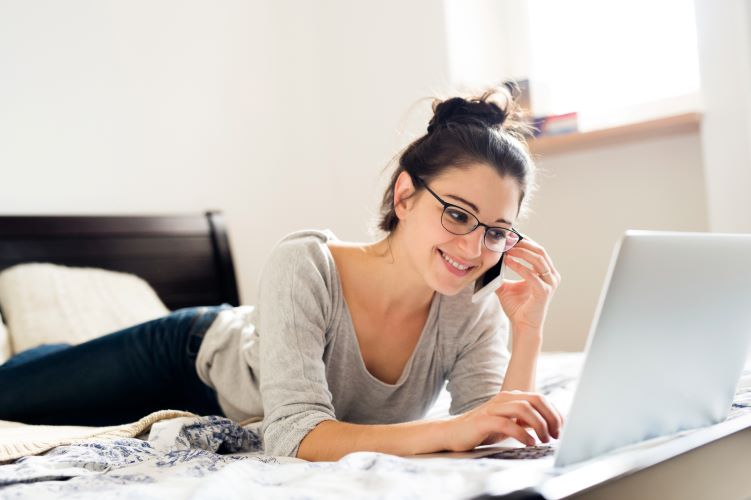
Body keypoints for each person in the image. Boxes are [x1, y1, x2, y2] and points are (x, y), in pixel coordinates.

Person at [0, 85, 562, 461]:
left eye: (494, 230)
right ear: (406, 195)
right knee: (14, 395)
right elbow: (296, 433)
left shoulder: (472, 307)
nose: (473, 246)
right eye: (458, 214)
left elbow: (494, 433)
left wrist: (529, 329)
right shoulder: (306, 264)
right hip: (191, 356)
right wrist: (449, 432)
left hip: (222, 395)